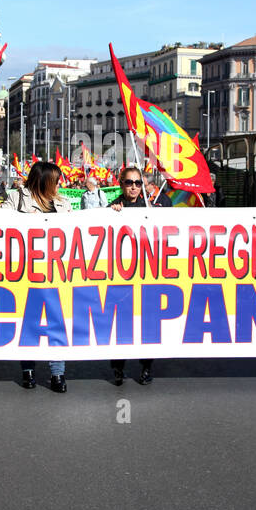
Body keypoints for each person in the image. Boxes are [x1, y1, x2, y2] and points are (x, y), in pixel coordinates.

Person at [0, 161, 73, 391]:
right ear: (45, 181)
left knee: (56, 323)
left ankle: (57, 373)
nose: (60, 185)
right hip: (25, 271)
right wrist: (21, 219)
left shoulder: (63, 203)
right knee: (28, 323)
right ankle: (28, 371)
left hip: (54, 273)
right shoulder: (16, 199)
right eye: (56, 181)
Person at [106, 165, 168, 385]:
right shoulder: (112, 207)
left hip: (147, 274)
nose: (134, 187)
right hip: (120, 277)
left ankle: (146, 367)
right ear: (121, 184)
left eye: (138, 183)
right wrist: (110, 214)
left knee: (147, 324)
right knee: (121, 323)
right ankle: (118, 368)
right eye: (129, 182)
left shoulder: (152, 206)